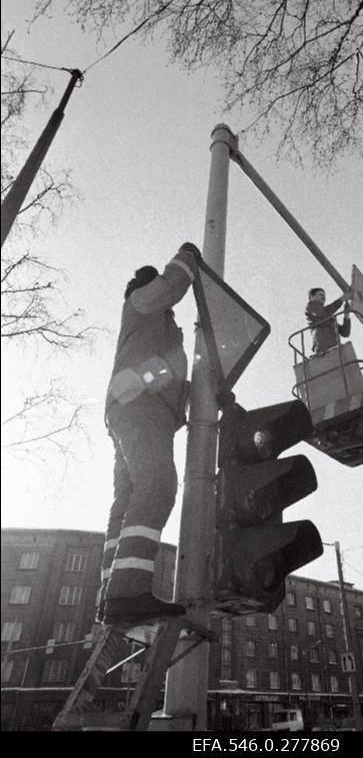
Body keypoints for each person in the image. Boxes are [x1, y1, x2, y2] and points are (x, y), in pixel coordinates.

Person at [98, 242, 201, 625]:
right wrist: (188, 256)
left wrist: (206, 397)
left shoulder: (154, 331)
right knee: (157, 485)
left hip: (131, 409)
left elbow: (169, 375)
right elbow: (172, 284)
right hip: (141, 409)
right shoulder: (142, 302)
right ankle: (127, 593)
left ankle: (111, 592)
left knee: (127, 499)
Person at [305, 287, 352, 355]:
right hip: (322, 348)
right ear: (312, 297)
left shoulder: (328, 318)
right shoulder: (311, 307)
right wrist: (342, 299)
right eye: (321, 294)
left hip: (334, 348)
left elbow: (345, 333)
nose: (324, 297)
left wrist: (346, 315)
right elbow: (325, 312)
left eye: (324, 295)